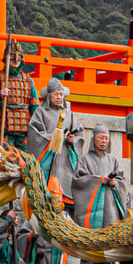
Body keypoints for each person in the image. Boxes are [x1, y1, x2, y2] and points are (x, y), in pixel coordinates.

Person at [72, 123, 128, 264]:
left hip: (109, 207)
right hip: (92, 207)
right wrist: (98, 181)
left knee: (109, 237)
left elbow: (122, 181)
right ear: (93, 140)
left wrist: (114, 183)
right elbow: (78, 180)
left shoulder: (113, 160)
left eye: (106, 138)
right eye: (100, 138)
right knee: (91, 237)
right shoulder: (84, 159)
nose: (103, 141)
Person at [27, 77, 84, 214]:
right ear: (49, 96)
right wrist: (52, 138)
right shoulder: (41, 112)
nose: (59, 97)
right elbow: (35, 133)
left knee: (66, 182)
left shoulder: (68, 114)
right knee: (44, 184)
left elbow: (79, 133)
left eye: (61, 94)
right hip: (47, 155)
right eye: (56, 94)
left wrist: (72, 139)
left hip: (64, 155)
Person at [0, 39, 38, 151]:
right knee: (1, 159)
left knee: (23, 161)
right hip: (4, 125)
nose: (16, 59)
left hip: (23, 127)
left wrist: (37, 126)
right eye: (12, 56)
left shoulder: (28, 80)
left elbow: (34, 104)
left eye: (18, 56)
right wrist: (0, 96)